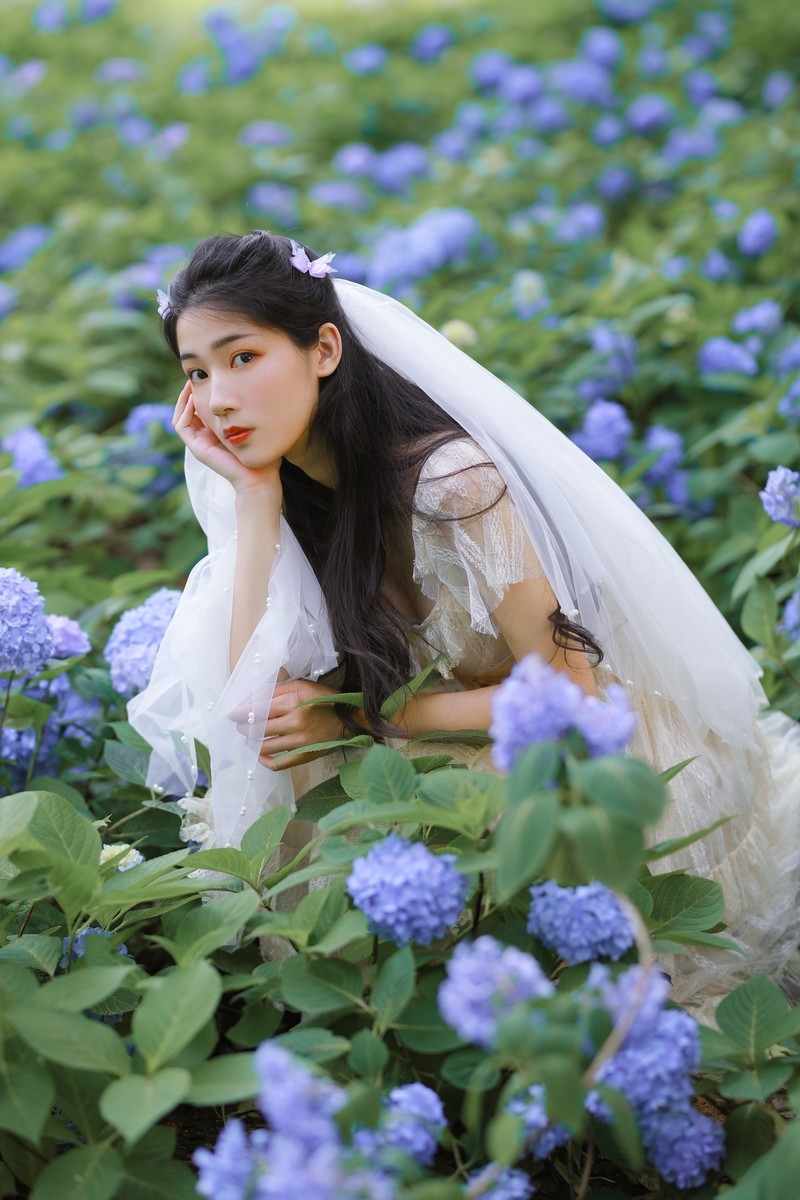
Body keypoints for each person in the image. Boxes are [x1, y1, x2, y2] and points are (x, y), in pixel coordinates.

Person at [129, 230, 800, 1010]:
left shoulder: (450, 483)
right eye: (196, 374)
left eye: (243, 357)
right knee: (296, 761)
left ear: (323, 349)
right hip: (433, 744)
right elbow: (256, 711)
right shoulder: (292, 492)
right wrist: (254, 499)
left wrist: (366, 718)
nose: (219, 399)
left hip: (564, 748)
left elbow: (570, 697)